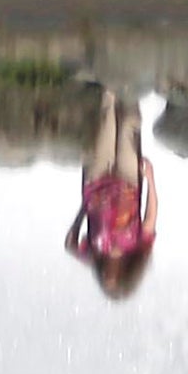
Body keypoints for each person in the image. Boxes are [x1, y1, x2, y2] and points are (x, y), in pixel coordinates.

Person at [67, 81, 155, 298]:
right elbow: (150, 218)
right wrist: (151, 180)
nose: (109, 278)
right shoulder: (137, 251)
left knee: (106, 123)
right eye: (115, 281)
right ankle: (131, 81)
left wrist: (83, 210)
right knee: (128, 127)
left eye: (106, 283)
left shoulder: (93, 255)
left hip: (96, 182)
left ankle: (109, 80)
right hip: (129, 183)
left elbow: (69, 244)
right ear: (126, 277)